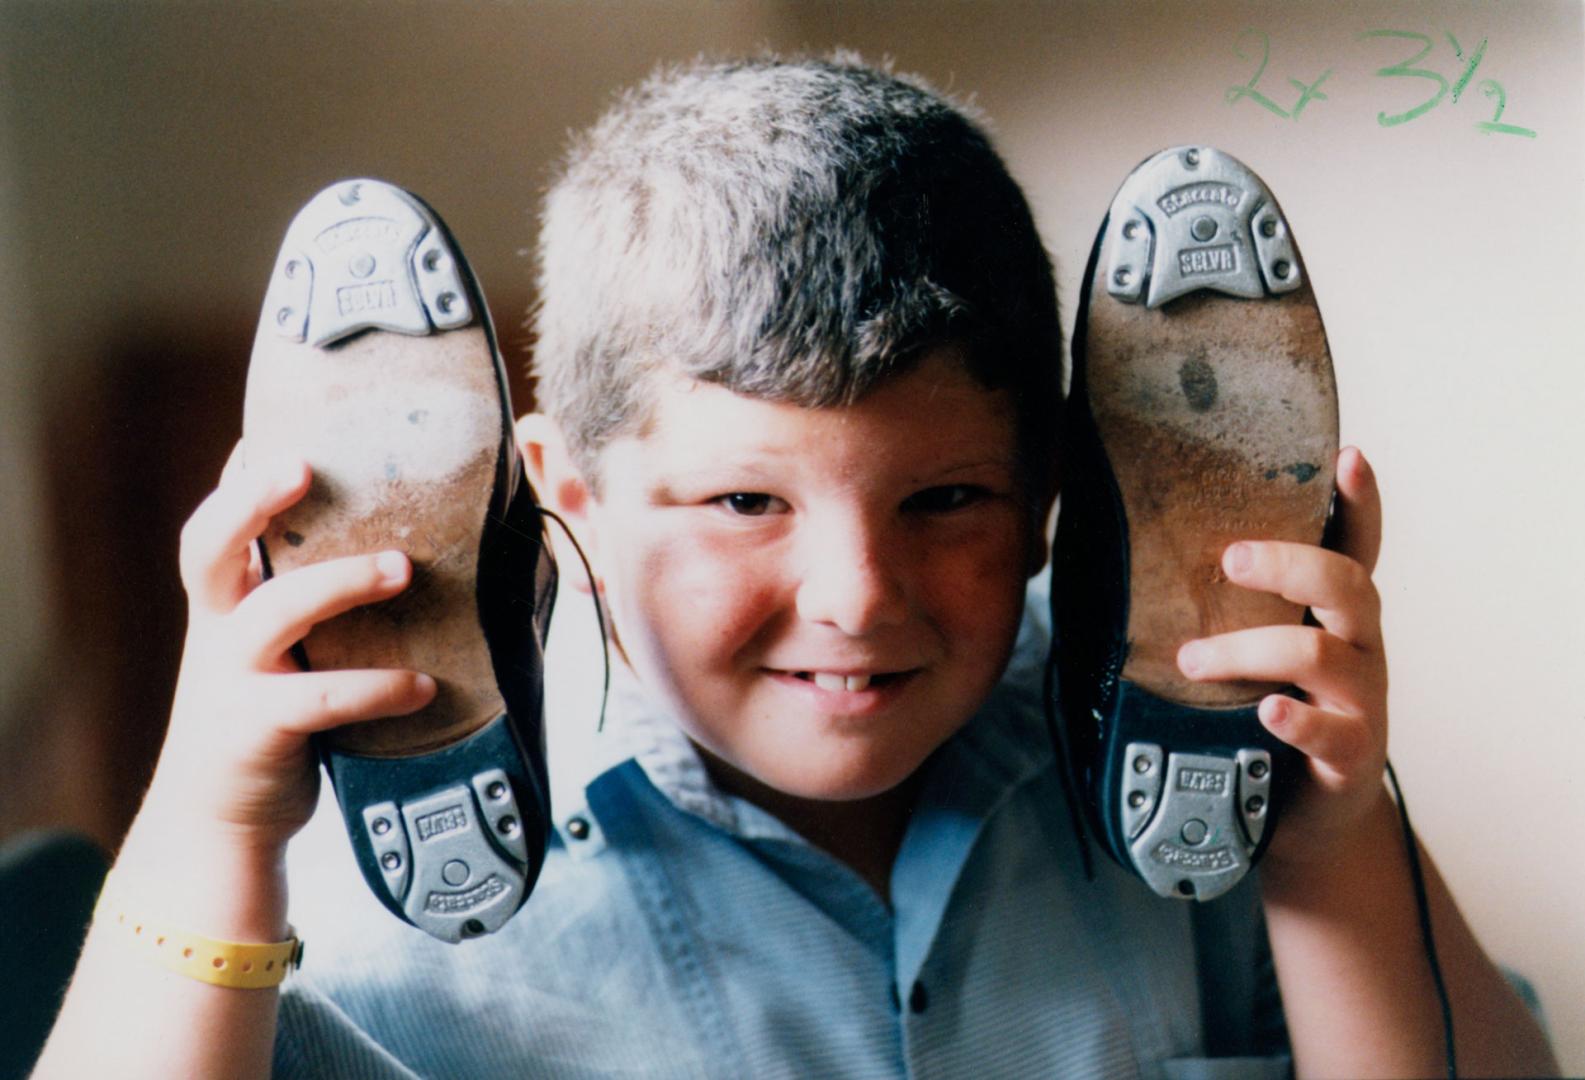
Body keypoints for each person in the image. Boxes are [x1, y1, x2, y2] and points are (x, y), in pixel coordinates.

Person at [35, 55, 1557, 1079]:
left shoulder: (1199, 789)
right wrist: (209, 822)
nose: (857, 596)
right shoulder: (378, 868)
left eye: (947, 496)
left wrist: (1332, 843)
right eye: (746, 502)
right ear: (558, 491)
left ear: (1055, 493)